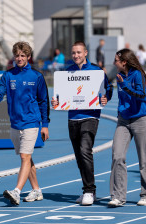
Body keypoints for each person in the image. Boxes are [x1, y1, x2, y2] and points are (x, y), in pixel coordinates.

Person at [0, 41, 50, 205]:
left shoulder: (36, 76)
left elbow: (44, 101)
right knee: (27, 159)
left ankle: (16, 191)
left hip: (31, 122)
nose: (19, 58)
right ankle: (36, 190)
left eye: (23, 55)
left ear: (28, 57)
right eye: (17, 55)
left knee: (25, 157)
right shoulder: (8, 75)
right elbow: (0, 90)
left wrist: (45, 125)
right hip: (15, 123)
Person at [51, 41, 113, 206]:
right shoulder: (67, 72)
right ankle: (87, 188)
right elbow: (60, 95)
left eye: (79, 52)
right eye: (73, 53)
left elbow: (109, 88)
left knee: (85, 150)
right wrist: (56, 101)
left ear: (85, 53)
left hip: (90, 117)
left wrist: (106, 97)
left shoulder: (96, 71)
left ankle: (89, 191)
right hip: (72, 118)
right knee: (79, 156)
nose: (76, 55)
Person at [108, 49, 146, 207]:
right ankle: (118, 196)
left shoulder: (137, 75)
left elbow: (141, 95)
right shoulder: (118, 76)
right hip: (123, 120)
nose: (114, 63)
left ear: (124, 62)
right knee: (117, 155)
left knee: (144, 158)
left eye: (116, 60)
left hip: (140, 119)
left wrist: (124, 85)